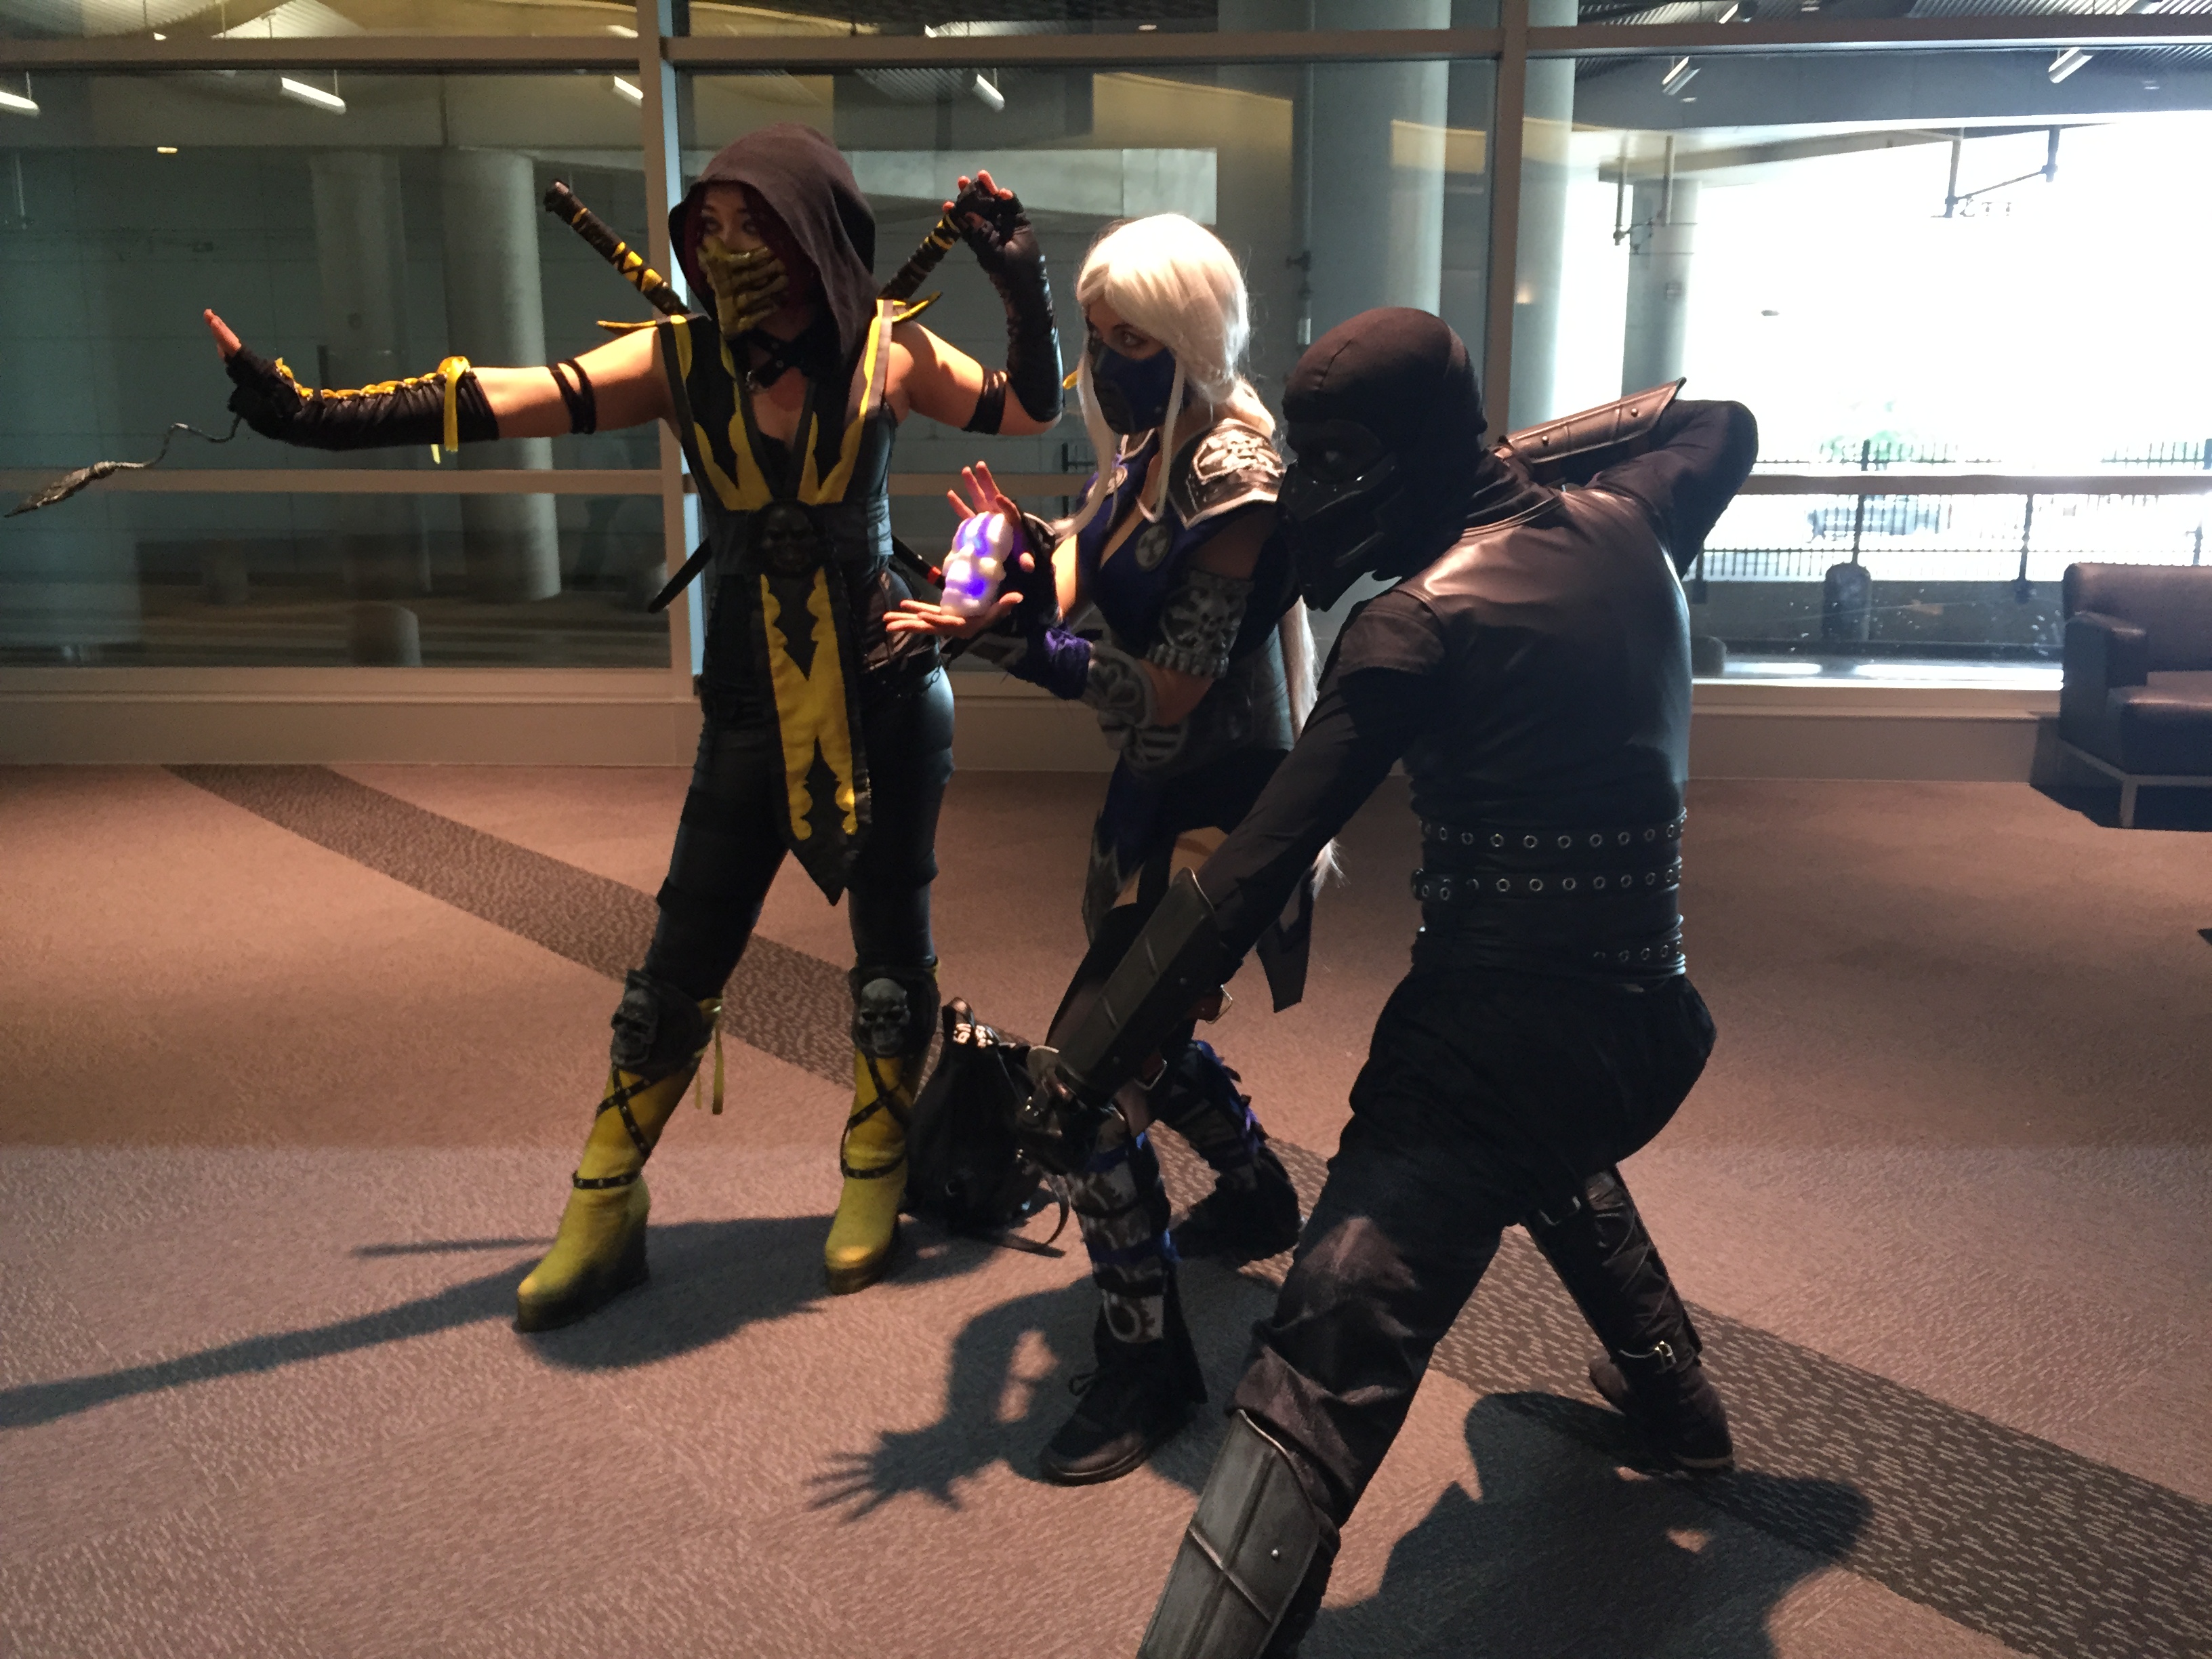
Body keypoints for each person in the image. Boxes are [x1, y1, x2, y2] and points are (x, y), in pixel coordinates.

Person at [203, 123, 1065, 1325]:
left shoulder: (892, 350)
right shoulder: (677, 359)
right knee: (675, 967)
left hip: (888, 684)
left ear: (814, 236)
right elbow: (500, 399)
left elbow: (1027, 411)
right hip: (749, 700)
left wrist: (1021, 282)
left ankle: (873, 1164)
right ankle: (604, 1199)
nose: (727, 250)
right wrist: (311, 414)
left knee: (890, 956)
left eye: (755, 226)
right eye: (711, 227)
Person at [1025, 308, 1759, 1656]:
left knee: (1324, 1348)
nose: (1316, 491)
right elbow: (1718, 421)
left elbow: (1253, 865)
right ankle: (1677, 1401)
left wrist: (1084, 1060)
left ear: (1414, 450)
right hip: (1646, 1028)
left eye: (1342, 460)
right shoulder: (1638, 522)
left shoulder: (1412, 627)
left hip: (1486, 1059)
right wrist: (1485, 466)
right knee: (1547, 1140)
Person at [890, 213, 1313, 1485]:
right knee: (1141, 1030)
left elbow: (1169, 690)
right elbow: (1083, 557)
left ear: (1192, 332)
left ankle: (1149, 1360)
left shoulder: (1233, 471)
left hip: (1221, 815)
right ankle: (1256, 1190)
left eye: (1134, 336)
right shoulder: (1148, 445)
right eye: (1097, 334)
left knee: (1077, 1090)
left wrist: (1026, 644)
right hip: (1154, 801)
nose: (1108, 358)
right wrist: (1010, 566)